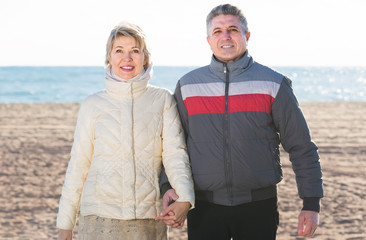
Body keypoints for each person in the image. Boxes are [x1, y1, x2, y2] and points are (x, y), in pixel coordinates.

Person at [157, 4, 323, 240]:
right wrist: (167, 186)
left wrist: (311, 203)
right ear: (208, 40)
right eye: (217, 31)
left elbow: (302, 147)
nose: (225, 36)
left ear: (246, 36)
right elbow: (173, 145)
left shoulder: (273, 84)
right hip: (204, 207)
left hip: (259, 207)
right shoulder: (188, 85)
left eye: (233, 29)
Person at [56, 21, 194, 240]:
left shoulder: (162, 100)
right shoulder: (92, 104)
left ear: (145, 58)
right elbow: (78, 164)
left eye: (135, 51)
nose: (127, 58)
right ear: (109, 58)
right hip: (98, 220)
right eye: (119, 50)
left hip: (147, 219)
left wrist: (185, 199)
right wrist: (66, 225)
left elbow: (175, 154)